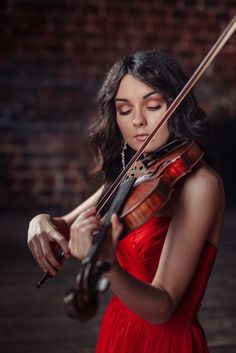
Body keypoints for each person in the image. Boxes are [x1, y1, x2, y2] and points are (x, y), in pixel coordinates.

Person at [28, 50, 225, 353]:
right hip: (120, 328)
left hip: (166, 343)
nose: (137, 121)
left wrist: (109, 268)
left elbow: (163, 307)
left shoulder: (201, 185)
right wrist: (39, 221)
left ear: (177, 105)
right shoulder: (137, 167)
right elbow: (65, 225)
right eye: (124, 110)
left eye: (153, 105)